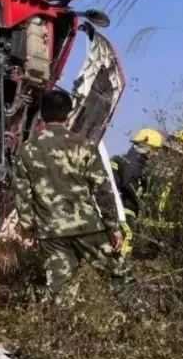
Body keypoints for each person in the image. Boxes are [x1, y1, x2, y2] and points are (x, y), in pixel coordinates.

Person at [15, 89, 123, 305]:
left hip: (52, 235)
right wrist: (113, 226)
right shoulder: (83, 145)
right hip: (88, 229)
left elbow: (23, 194)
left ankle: (70, 335)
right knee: (119, 279)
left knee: (63, 295)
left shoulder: (27, 150)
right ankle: (135, 324)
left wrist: (27, 229)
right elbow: (102, 188)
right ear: (69, 115)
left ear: (42, 115)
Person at [110, 128, 163, 232]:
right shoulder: (136, 166)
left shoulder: (121, 159)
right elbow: (130, 186)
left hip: (113, 210)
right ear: (148, 148)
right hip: (124, 214)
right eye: (155, 150)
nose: (156, 154)